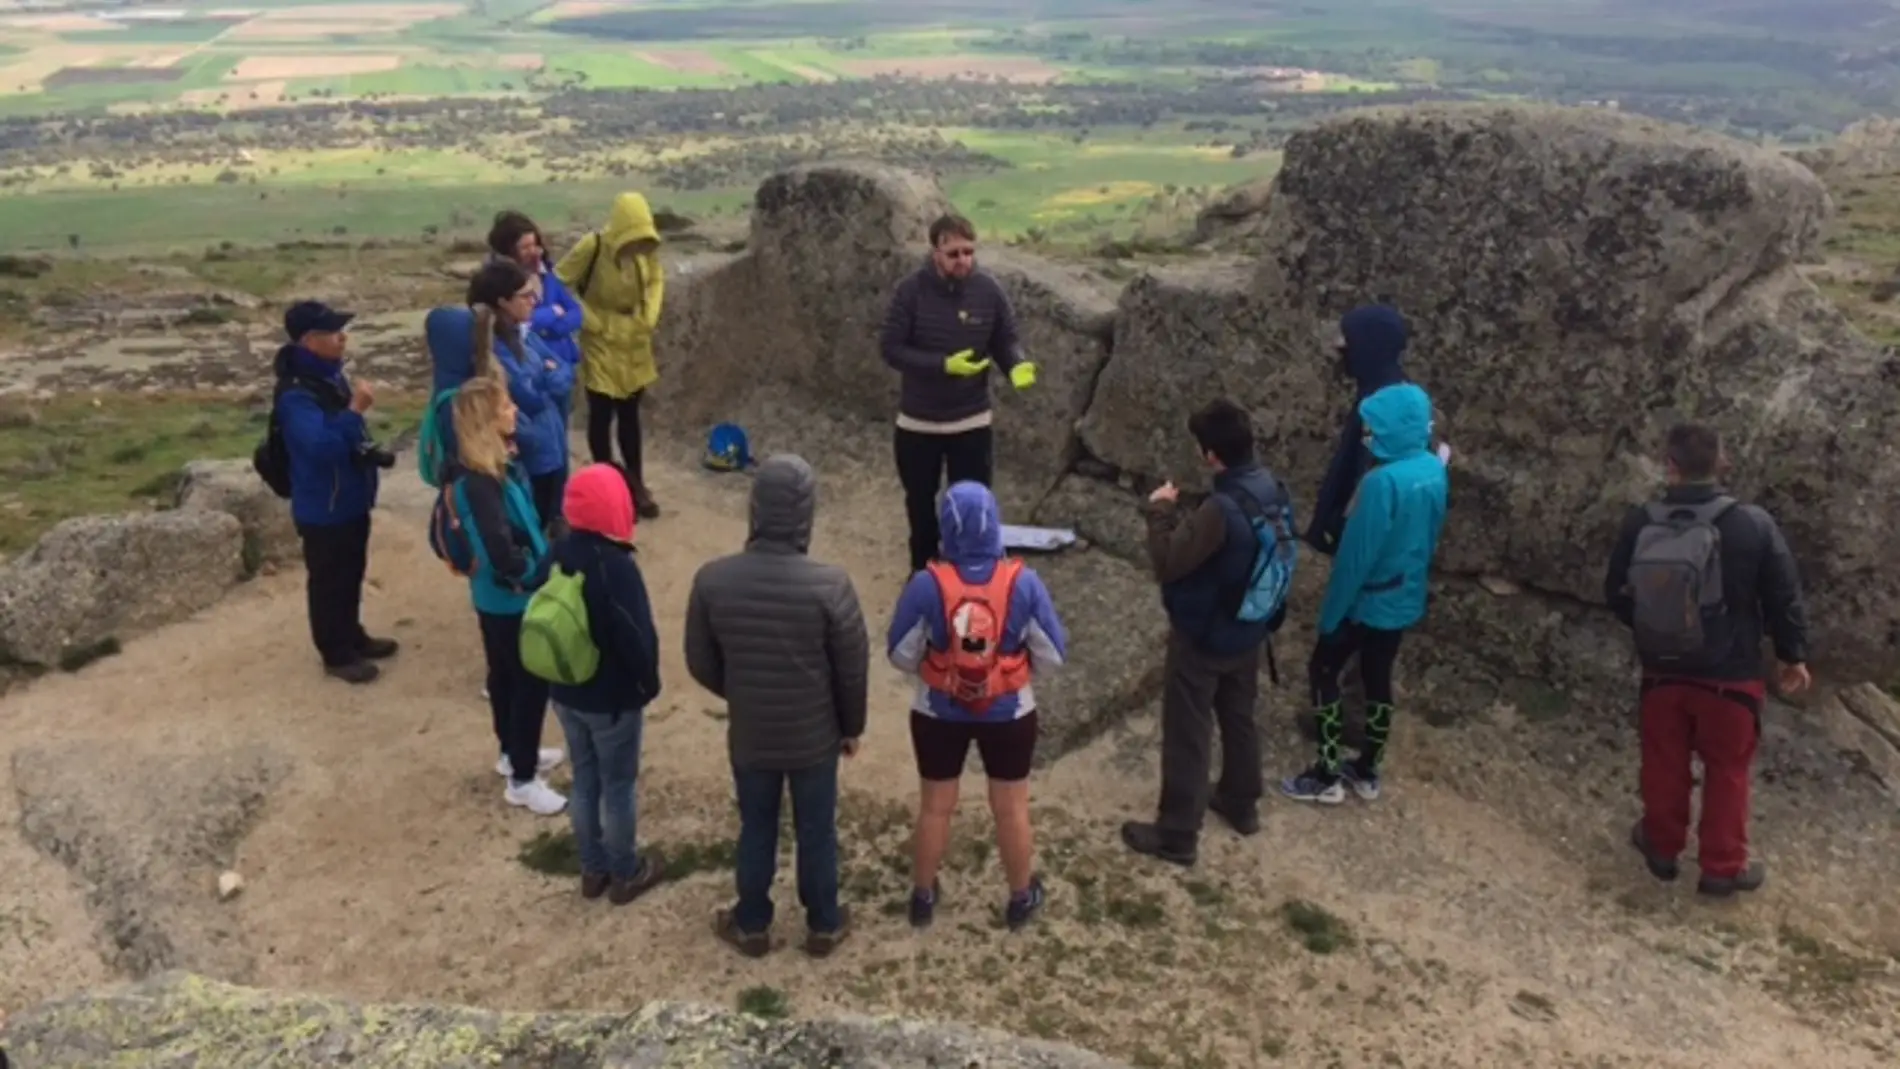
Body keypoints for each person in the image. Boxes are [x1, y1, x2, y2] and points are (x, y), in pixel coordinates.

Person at [1603, 423, 1811, 897]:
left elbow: (1615, 592)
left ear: (1669, 465)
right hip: (1731, 675)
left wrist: (1654, 631)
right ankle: (1722, 866)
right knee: (1728, 770)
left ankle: (1660, 845)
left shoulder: (1642, 521)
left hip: (1663, 669)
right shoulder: (1752, 524)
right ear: (1723, 463)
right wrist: (1791, 655)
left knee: (1662, 761)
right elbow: (1783, 595)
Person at [684, 454, 869, 958]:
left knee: (756, 824)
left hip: (751, 732)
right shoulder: (830, 585)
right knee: (816, 828)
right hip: (815, 735)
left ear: (755, 509)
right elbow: (852, 668)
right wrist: (850, 726)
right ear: (806, 513)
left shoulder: (712, 580)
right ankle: (824, 922)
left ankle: (751, 922)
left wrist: (743, 691)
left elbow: (699, 661)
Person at [888, 480, 1067, 929]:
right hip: (1009, 712)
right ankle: (1020, 897)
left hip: (937, 709)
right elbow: (1053, 656)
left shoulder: (926, 584)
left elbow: (900, 654)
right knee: (1011, 807)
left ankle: (923, 897)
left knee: (935, 806)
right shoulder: (1024, 582)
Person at [1120, 399, 1291, 866]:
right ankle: (1241, 801)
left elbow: (1169, 562)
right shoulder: (1271, 488)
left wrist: (1160, 512)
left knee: (1188, 729)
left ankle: (1178, 832)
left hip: (1205, 633)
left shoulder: (1220, 508)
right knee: (1239, 717)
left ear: (1211, 455)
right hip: (1250, 628)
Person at [1281, 382, 1448, 805]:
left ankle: (1326, 771)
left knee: (1324, 671)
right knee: (1378, 679)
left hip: (1366, 600)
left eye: (1373, 428)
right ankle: (1368, 767)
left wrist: (1331, 615)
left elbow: (1355, 560)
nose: (1367, 436)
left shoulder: (1381, 483)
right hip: (1404, 596)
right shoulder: (1433, 470)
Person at [879, 212, 1037, 575]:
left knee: (973, 506)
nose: (963, 260)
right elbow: (890, 348)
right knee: (920, 505)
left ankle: (972, 577)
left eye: (968, 252)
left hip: (971, 419)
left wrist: (1016, 364)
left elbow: (1005, 337)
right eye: (953, 253)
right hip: (919, 422)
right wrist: (942, 364)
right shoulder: (910, 292)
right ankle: (924, 578)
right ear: (935, 252)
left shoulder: (988, 290)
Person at [445, 376, 566, 815]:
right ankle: (523, 779)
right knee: (529, 682)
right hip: (510, 599)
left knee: (503, 677)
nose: (514, 411)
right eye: (506, 407)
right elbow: (501, 551)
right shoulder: (481, 483)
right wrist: (536, 573)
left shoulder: (486, 470)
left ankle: (512, 752)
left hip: (492, 598)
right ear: (487, 420)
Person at [547, 462, 666, 904]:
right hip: (611, 698)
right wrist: (648, 684)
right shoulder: (615, 567)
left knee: (584, 778)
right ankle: (625, 872)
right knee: (617, 786)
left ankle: (591, 869)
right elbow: (636, 635)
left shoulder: (557, 550)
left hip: (564, 690)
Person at [275, 300, 397, 685]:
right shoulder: (296, 395)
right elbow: (321, 448)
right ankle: (336, 652)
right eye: (333, 332)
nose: (343, 337)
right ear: (310, 340)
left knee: (351, 571)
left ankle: (352, 634)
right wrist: (355, 412)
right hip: (323, 505)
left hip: (348, 497)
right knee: (329, 579)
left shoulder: (328, 377)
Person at [555, 192, 665, 519]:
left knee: (630, 413)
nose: (637, 248)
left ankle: (636, 484)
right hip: (601, 339)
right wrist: (590, 320)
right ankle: (605, 488)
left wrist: (649, 314)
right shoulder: (594, 247)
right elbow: (558, 282)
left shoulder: (644, 251)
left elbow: (656, 279)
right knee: (602, 413)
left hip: (633, 339)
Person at [467, 260, 575, 531]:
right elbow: (529, 397)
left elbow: (566, 371)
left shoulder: (524, 336)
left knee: (548, 520)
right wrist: (547, 376)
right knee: (532, 528)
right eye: (526, 295)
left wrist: (545, 378)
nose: (535, 300)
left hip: (550, 446)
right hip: (530, 454)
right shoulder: (494, 351)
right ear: (503, 302)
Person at [1306, 304, 1411, 556]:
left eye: (1348, 341)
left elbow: (1366, 486)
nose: (1339, 349)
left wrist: (1336, 528)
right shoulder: (1376, 393)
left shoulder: (1386, 410)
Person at [487, 211, 582, 422]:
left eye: (534, 244)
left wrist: (552, 328)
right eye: (525, 247)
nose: (533, 252)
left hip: (562, 363)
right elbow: (522, 321)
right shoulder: (501, 282)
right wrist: (551, 314)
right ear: (509, 250)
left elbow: (576, 312)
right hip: (535, 369)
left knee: (559, 430)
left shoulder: (546, 274)